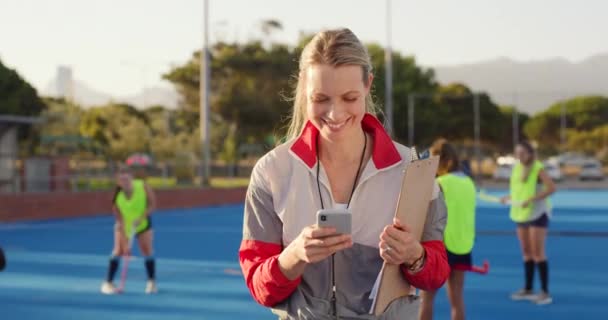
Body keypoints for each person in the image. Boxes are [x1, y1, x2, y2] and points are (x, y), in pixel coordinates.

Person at [239, 28, 450, 320]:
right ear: (303, 88)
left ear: (367, 86)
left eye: (349, 98)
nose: (335, 114)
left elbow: (436, 274)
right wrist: (295, 255)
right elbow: (261, 288)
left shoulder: (412, 170)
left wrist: (415, 256)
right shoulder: (272, 172)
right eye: (321, 98)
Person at [419, 140, 477, 320]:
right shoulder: (469, 182)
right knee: (457, 299)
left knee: (426, 299)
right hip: (463, 245)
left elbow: (425, 214)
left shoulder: (439, 183)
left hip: (440, 246)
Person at [501, 141, 556, 305]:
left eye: (522, 153)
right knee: (526, 252)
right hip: (521, 214)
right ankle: (528, 288)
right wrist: (508, 197)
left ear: (530, 154)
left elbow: (552, 188)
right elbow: (518, 191)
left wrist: (532, 199)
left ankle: (545, 292)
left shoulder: (538, 168)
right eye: (517, 153)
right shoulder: (517, 168)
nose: (519, 156)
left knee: (538, 253)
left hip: (538, 214)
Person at [101, 166, 158, 294]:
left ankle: (151, 283)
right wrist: (126, 245)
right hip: (125, 226)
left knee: (147, 250)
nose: (125, 182)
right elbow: (119, 220)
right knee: (118, 251)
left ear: (132, 178)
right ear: (118, 182)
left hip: (143, 224)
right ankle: (108, 283)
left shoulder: (142, 186)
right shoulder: (117, 197)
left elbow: (152, 204)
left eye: (127, 178)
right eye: (122, 180)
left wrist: (141, 217)